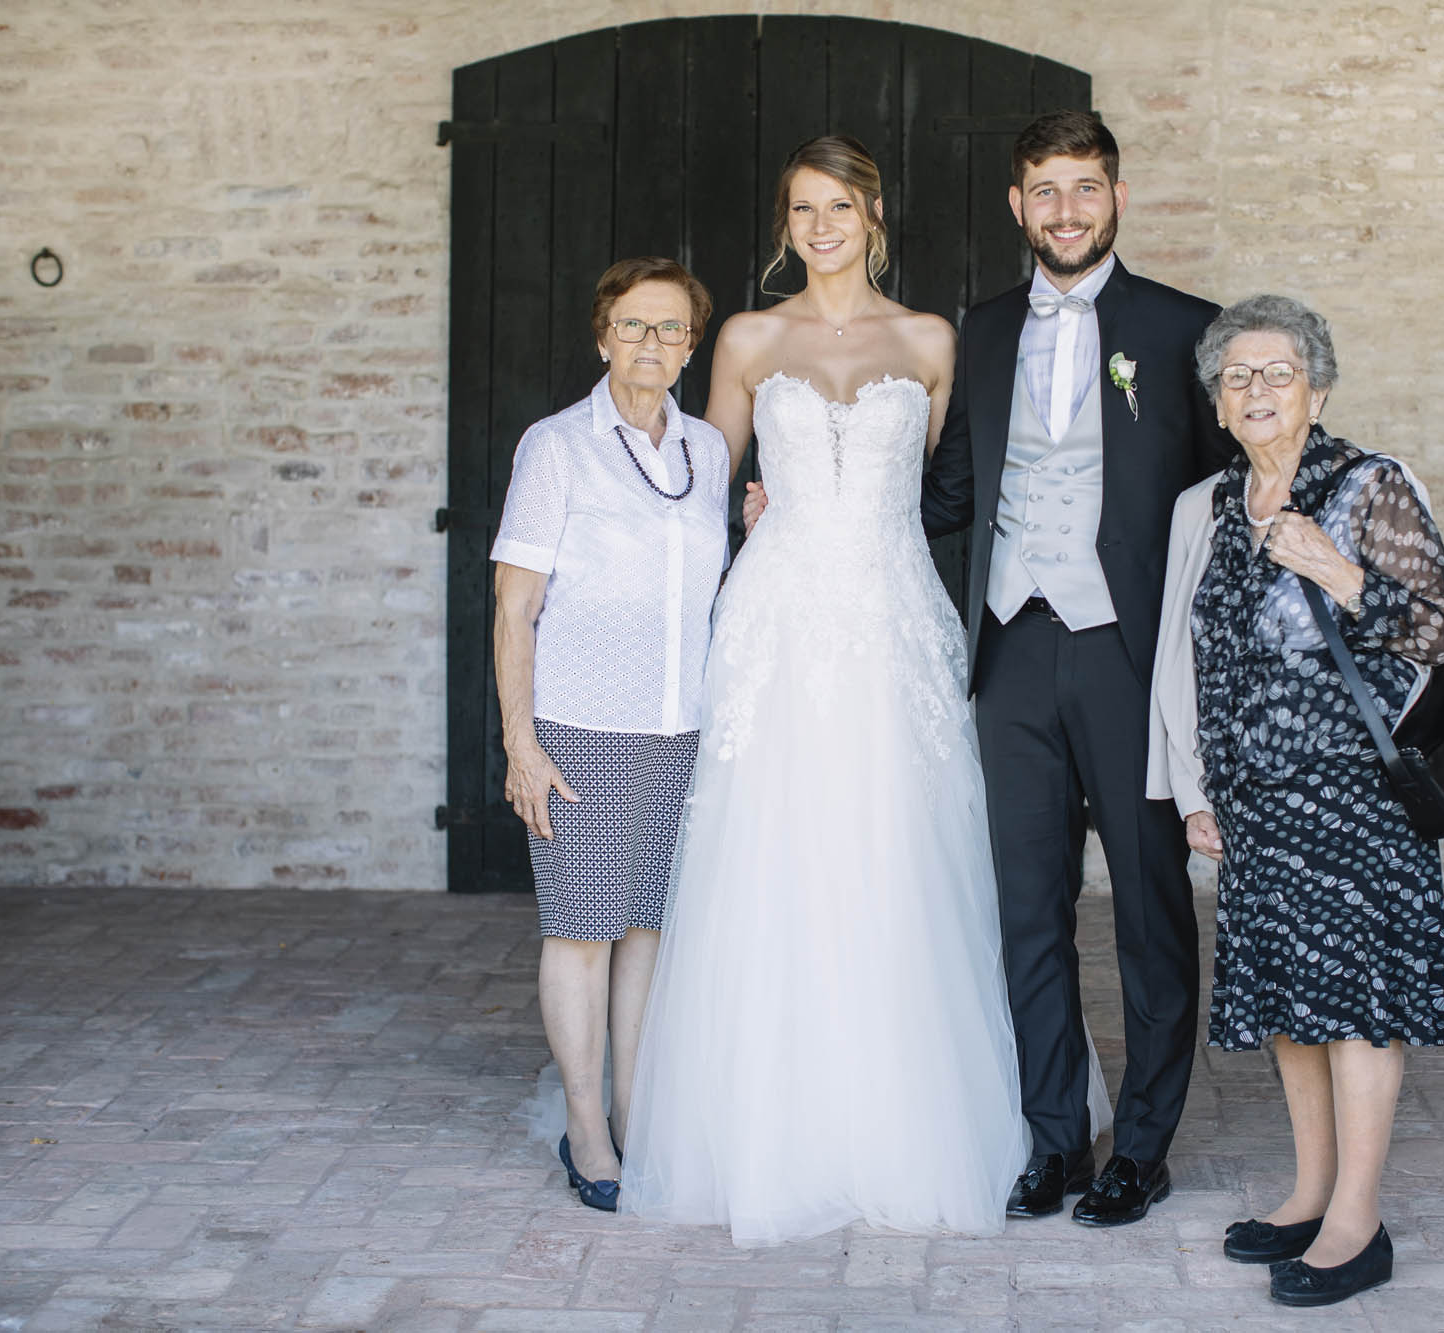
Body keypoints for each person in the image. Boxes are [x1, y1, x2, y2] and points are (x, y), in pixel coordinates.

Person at [619, 136, 1028, 1246]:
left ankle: (907, 1116)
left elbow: (944, 489)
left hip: (893, 617)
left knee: (899, 849)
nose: (820, 225)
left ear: (874, 212)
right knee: (776, 851)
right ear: (783, 224)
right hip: (779, 622)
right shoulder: (750, 338)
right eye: (801, 208)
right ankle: (765, 1123)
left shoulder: (930, 339)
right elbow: (699, 486)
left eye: (838, 205)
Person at [916, 110, 1230, 1226]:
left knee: (1148, 905)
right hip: (1011, 650)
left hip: (1130, 658)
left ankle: (1139, 1147)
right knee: (1026, 907)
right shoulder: (984, 328)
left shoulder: (1183, 329)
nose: (1063, 210)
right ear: (1016, 205)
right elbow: (947, 493)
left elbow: (1226, 500)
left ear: (1117, 196)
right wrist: (807, 506)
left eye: (1083, 188)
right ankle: (1055, 1138)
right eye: (1043, 190)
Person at [1147, 294, 1444, 1307]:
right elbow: (1183, 661)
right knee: (1290, 996)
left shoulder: (1369, 485)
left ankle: (1357, 1222)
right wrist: (1194, 787)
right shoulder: (1206, 504)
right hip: (1255, 799)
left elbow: (1433, 634)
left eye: (1276, 371)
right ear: (1217, 401)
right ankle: (1311, 1191)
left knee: (1357, 1000)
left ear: (1316, 387)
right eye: (1236, 376)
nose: (1255, 390)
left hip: (1356, 796)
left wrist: (1337, 569)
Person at [490, 258, 729, 1212]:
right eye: (633, 326)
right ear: (602, 337)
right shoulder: (556, 447)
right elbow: (515, 607)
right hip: (580, 726)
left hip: (682, 726)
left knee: (646, 933)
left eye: (671, 329)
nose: (652, 344)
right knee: (581, 930)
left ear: (690, 345)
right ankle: (585, 1126)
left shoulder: (707, 450)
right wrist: (521, 742)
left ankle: (636, 1111)